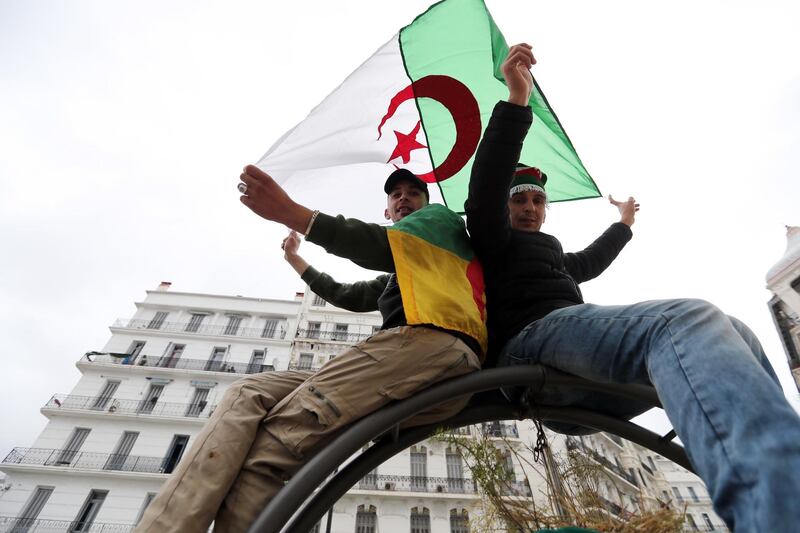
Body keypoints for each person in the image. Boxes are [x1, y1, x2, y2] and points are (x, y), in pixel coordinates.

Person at [464, 43, 800, 532]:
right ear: (507, 206)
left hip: (579, 377)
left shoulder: (552, 253)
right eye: (521, 199)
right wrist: (518, 102)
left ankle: (784, 474)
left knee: (737, 332)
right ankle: (778, 511)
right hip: (531, 348)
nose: (531, 207)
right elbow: (486, 188)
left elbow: (592, 261)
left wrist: (623, 222)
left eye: (539, 200)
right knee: (685, 320)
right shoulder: (493, 240)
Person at [135, 168, 486, 532]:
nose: (403, 198)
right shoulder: (407, 272)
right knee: (248, 391)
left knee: (273, 447)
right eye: (395, 194)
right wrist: (293, 259)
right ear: (387, 210)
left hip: (427, 347)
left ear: (425, 205)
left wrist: (291, 213)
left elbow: (375, 243)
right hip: (411, 360)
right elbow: (346, 294)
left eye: (413, 192)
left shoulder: (439, 221)